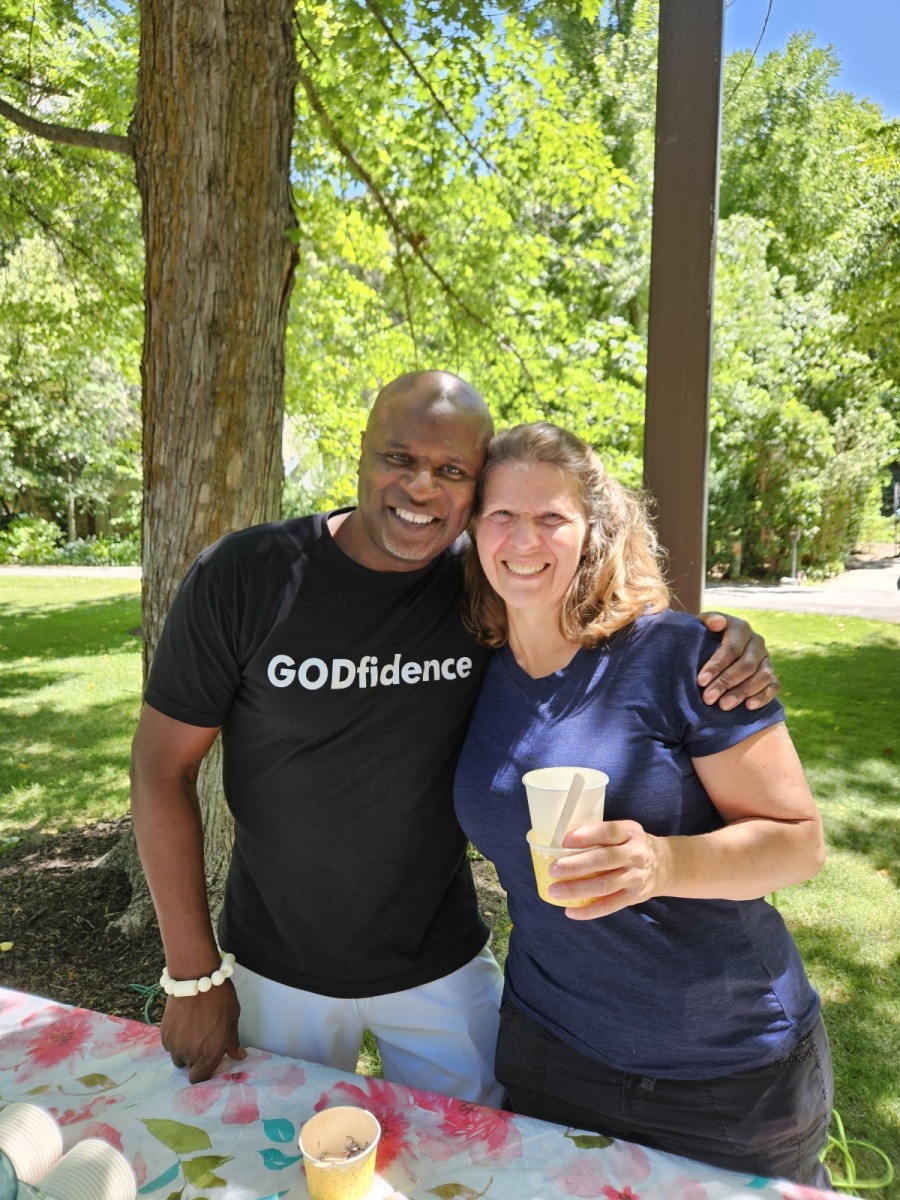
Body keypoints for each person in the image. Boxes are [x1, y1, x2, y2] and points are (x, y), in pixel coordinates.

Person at [130, 371, 779, 1105]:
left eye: (452, 471)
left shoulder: (486, 584)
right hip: (274, 966)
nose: (421, 488)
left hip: (443, 964)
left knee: (482, 1157)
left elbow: (602, 621)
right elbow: (159, 769)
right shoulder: (247, 576)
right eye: (399, 458)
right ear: (362, 449)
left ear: (475, 488)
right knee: (266, 1154)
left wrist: (717, 644)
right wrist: (192, 973)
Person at [454, 422, 833, 1185]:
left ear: (592, 529)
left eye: (551, 517)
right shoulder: (467, 665)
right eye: (502, 515)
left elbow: (800, 843)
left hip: (726, 1070)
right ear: (473, 529)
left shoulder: (684, 658)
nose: (523, 539)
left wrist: (663, 863)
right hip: (551, 1051)